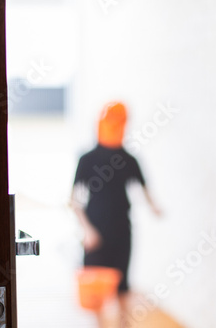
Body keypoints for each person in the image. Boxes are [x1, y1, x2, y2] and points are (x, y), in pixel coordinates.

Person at [70, 101, 161, 327]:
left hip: (122, 231)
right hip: (95, 233)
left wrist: (154, 207)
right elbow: (74, 201)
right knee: (96, 291)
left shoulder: (129, 160)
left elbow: (144, 188)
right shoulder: (87, 159)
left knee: (122, 288)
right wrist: (87, 231)